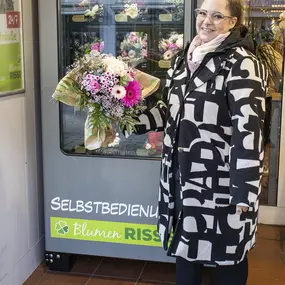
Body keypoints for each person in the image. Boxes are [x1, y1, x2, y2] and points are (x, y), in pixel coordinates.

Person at [127, 0, 268, 284]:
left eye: (217, 15)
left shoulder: (243, 63)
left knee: (229, 257)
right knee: (186, 250)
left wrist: (244, 192)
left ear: (233, 22)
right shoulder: (183, 59)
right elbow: (170, 110)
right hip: (181, 178)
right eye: (202, 13)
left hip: (223, 183)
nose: (206, 21)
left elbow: (249, 131)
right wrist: (130, 122)